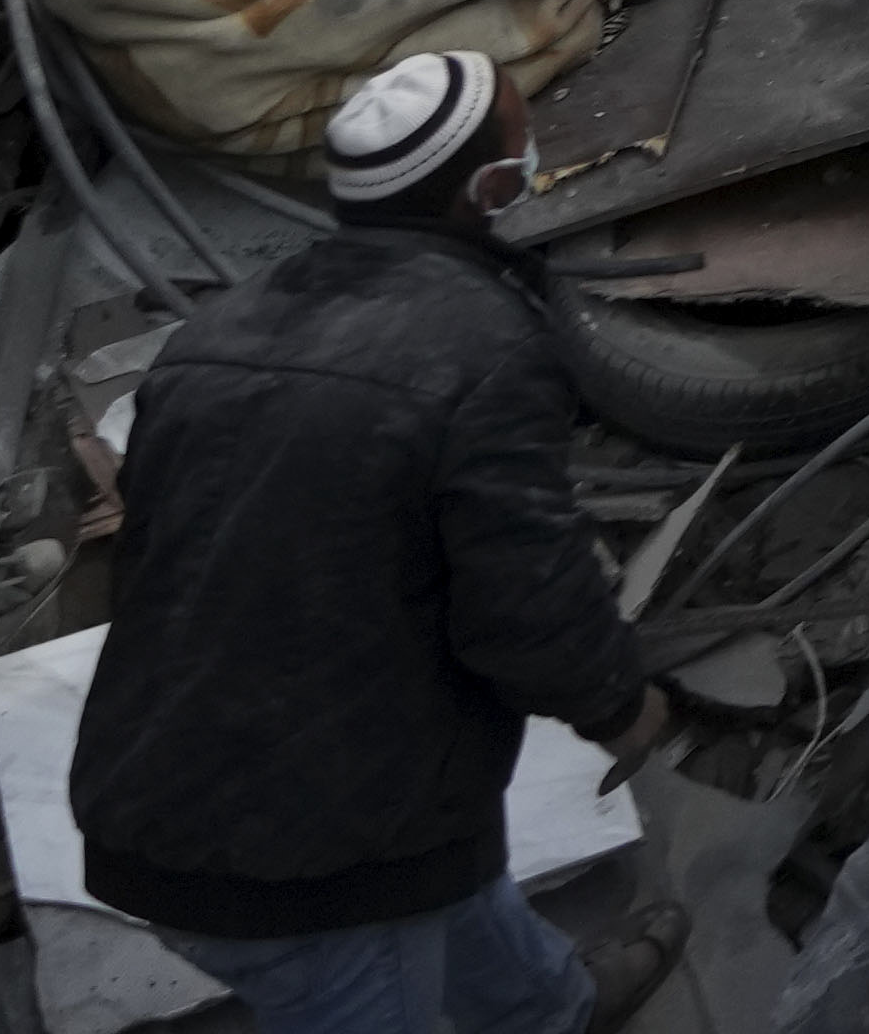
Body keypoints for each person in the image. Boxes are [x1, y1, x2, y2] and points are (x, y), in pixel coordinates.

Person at [76, 50, 668, 1032]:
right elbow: (523, 603)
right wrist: (620, 705)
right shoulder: (484, 347)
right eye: (522, 153)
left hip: (155, 797)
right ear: (486, 190)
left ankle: (549, 1010)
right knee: (381, 956)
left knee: (452, 883)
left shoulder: (219, 328)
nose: (530, 168)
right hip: (298, 868)